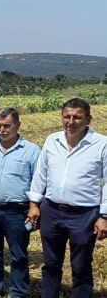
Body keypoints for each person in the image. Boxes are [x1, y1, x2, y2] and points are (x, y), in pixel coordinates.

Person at [28, 98, 107, 298]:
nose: (71, 122)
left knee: (81, 265)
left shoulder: (102, 144)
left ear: (88, 119)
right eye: (67, 116)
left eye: (77, 117)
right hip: (51, 210)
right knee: (51, 263)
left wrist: (104, 216)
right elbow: (41, 174)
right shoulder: (52, 140)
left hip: (84, 214)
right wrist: (34, 204)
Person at [0, 108, 40, 298]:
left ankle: (18, 291)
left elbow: (38, 182)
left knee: (18, 254)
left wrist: (34, 207)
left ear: (18, 125)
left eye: (7, 126)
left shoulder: (31, 150)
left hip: (17, 211)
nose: (2, 130)